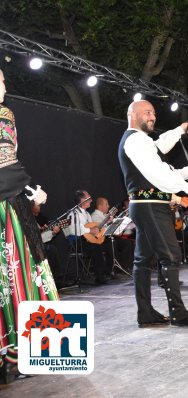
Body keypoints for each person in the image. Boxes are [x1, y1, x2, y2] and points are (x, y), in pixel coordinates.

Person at [118, 99, 188, 328]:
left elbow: (161, 147)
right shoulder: (135, 140)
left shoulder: (141, 141)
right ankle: (177, 313)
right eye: (147, 112)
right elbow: (158, 172)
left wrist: (180, 130)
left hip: (145, 204)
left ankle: (146, 313)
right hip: (149, 204)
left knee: (142, 260)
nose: (152, 116)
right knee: (171, 255)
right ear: (132, 114)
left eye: (154, 113)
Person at [0, 68, 58, 383]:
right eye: (1, 80)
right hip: (6, 208)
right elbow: (6, 162)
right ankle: (29, 353)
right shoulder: (3, 114)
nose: (6, 85)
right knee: (20, 273)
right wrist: (29, 188)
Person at [64, 190, 113, 284]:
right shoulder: (74, 214)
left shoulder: (86, 214)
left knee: (108, 242)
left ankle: (108, 272)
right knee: (96, 248)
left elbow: (94, 228)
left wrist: (106, 224)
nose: (91, 200)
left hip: (87, 240)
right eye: (89, 198)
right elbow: (75, 229)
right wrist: (90, 231)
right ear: (83, 200)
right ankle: (100, 277)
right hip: (78, 242)